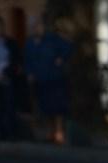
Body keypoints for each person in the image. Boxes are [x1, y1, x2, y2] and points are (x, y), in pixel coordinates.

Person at [24, 16, 72, 145]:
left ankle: (59, 132)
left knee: (58, 107)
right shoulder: (30, 43)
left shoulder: (52, 39)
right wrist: (29, 73)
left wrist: (61, 58)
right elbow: (27, 60)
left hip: (54, 78)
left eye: (39, 26)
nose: (37, 29)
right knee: (46, 108)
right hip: (40, 80)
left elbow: (68, 46)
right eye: (34, 27)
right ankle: (51, 132)